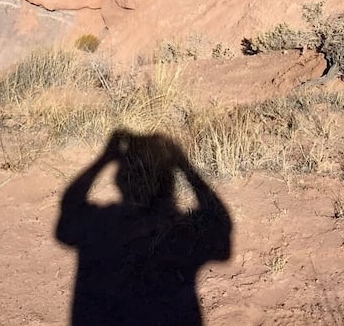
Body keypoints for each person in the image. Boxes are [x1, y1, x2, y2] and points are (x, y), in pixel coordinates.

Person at [55, 129, 233, 325]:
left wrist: (104, 159)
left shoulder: (103, 221)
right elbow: (222, 228)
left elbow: (69, 214)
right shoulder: (180, 231)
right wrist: (185, 166)